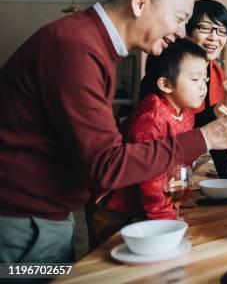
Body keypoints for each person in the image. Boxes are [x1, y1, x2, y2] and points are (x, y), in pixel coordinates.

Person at [0, 0, 227, 263]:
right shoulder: (77, 47)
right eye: (179, 19)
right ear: (140, 1)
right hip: (23, 221)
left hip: (47, 214)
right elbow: (108, 164)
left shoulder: (93, 44)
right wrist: (206, 137)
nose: (180, 33)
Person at [87, 39, 209, 247]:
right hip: (116, 210)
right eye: (195, 79)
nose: (203, 87)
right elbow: (150, 178)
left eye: (204, 79)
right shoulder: (151, 118)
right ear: (165, 84)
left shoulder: (186, 111)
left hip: (149, 207)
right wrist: (167, 220)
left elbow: (180, 163)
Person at [186, 0, 227, 179]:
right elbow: (180, 130)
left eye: (222, 31)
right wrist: (222, 106)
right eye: (205, 28)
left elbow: (216, 132)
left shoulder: (217, 74)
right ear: (188, 30)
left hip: (185, 168)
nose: (214, 37)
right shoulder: (172, 70)